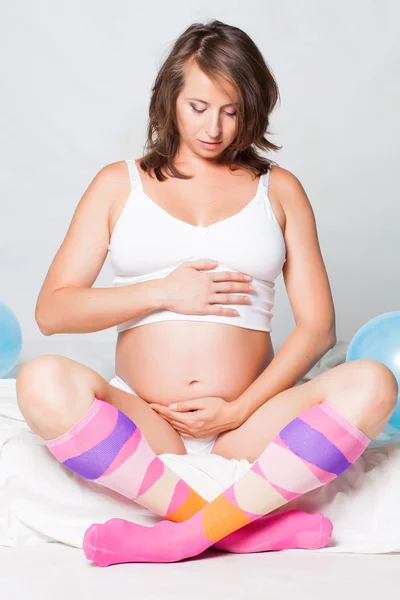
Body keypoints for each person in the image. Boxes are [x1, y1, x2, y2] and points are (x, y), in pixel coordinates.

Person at [16, 20, 397, 563]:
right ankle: (239, 530)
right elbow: (53, 311)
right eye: (198, 107)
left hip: (248, 422)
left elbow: (319, 328)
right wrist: (164, 291)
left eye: (232, 109)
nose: (214, 127)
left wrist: (238, 409)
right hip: (147, 416)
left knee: (374, 383)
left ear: (253, 108)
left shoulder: (280, 189)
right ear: (170, 99)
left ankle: (182, 535)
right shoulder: (117, 184)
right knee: (41, 380)